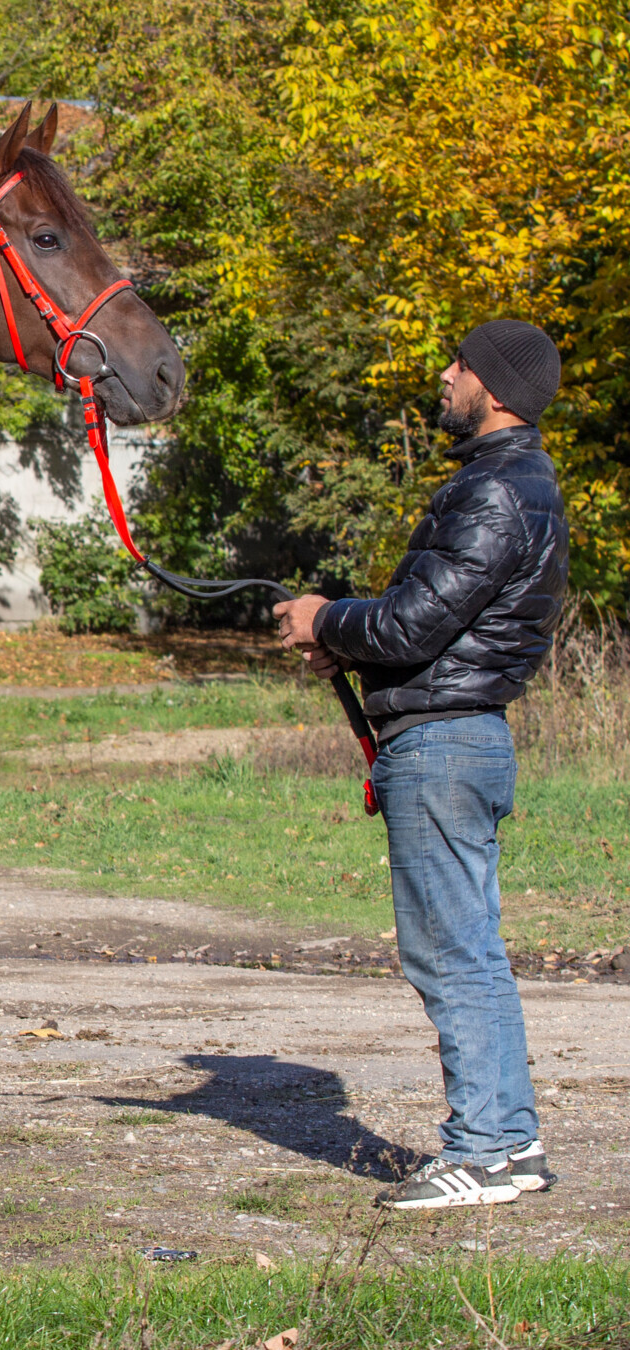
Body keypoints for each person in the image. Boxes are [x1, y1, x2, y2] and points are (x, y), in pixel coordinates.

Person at [273, 319, 569, 1211]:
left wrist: (328, 621)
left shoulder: (499, 491)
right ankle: (507, 1144)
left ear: (496, 387)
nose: (445, 376)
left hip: (442, 748)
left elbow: (410, 623)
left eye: (460, 365)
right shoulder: (509, 484)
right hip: (451, 738)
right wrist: (347, 645)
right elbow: (434, 624)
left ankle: (483, 1152)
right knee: (466, 949)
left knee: (452, 954)